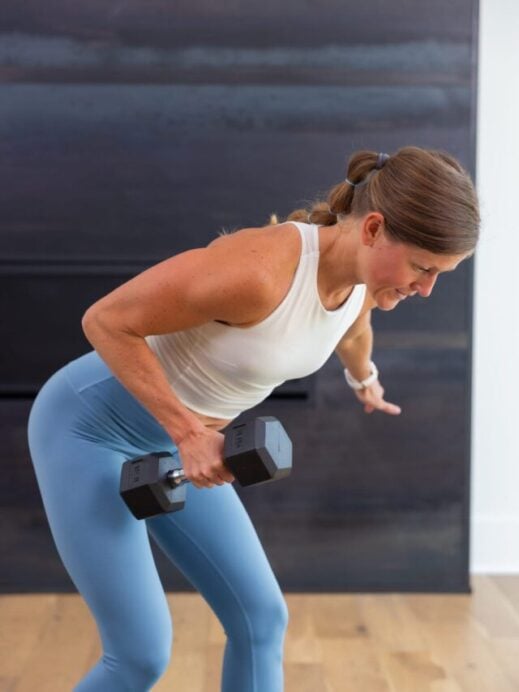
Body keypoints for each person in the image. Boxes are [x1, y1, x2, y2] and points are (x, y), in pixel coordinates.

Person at [27, 146, 480, 691]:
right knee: (140, 654)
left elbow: (353, 333)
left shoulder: (361, 288)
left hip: (173, 442)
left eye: (441, 275)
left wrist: (365, 380)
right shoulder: (260, 271)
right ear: (374, 228)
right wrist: (189, 433)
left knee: (261, 620)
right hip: (88, 428)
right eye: (423, 267)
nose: (427, 289)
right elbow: (106, 321)